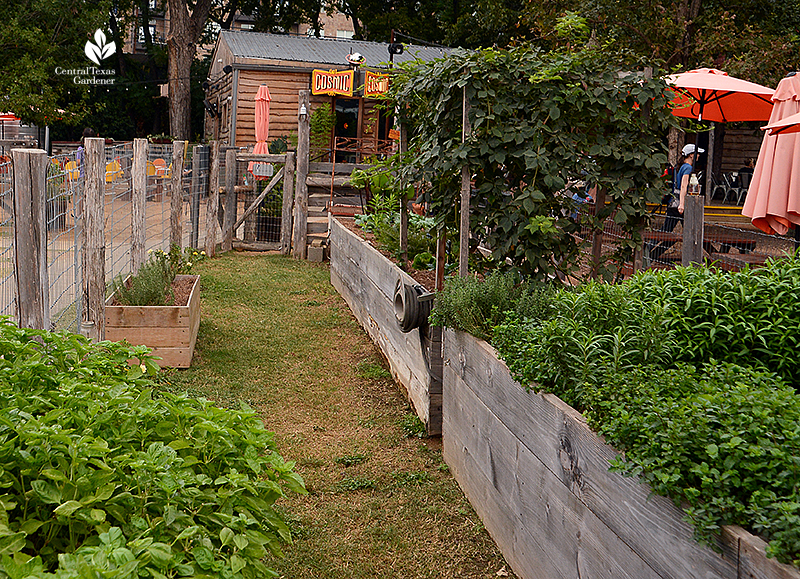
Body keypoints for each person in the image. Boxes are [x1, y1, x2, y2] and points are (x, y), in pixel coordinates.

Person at [650, 143, 704, 261]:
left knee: (667, 230)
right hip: (680, 205)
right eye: (697, 153)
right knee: (692, 232)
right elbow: (684, 186)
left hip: (673, 203)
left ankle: (648, 252)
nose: (699, 156)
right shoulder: (688, 168)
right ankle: (697, 259)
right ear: (691, 155)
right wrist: (682, 204)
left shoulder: (680, 167)